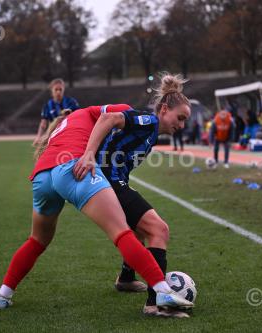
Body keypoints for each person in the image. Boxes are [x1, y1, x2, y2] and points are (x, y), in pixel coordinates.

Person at [0, 100, 193, 314]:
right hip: (72, 169)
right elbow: (110, 116)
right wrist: (89, 153)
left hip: (43, 176)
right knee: (123, 232)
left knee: (37, 240)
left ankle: (2, 295)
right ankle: (161, 291)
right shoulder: (91, 113)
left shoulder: (63, 125)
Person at [73, 73, 192, 317]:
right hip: (107, 179)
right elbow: (108, 118)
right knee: (159, 230)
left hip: (112, 180)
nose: (181, 125)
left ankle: (126, 278)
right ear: (164, 109)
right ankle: (155, 303)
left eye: (184, 122)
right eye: (180, 118)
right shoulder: (148, 120)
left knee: (139, 230)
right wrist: (88, 154)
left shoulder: (152, 131)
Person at [33, 78, 79, 146]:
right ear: (51, 90)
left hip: (69, 134)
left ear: (63, 89)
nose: (58, 92)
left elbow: (78, 116)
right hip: (54, 135)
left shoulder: (71, 102)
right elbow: (43, 123)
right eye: (56, 89)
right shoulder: (47, 105)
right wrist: (38, 136)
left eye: (60, 89)